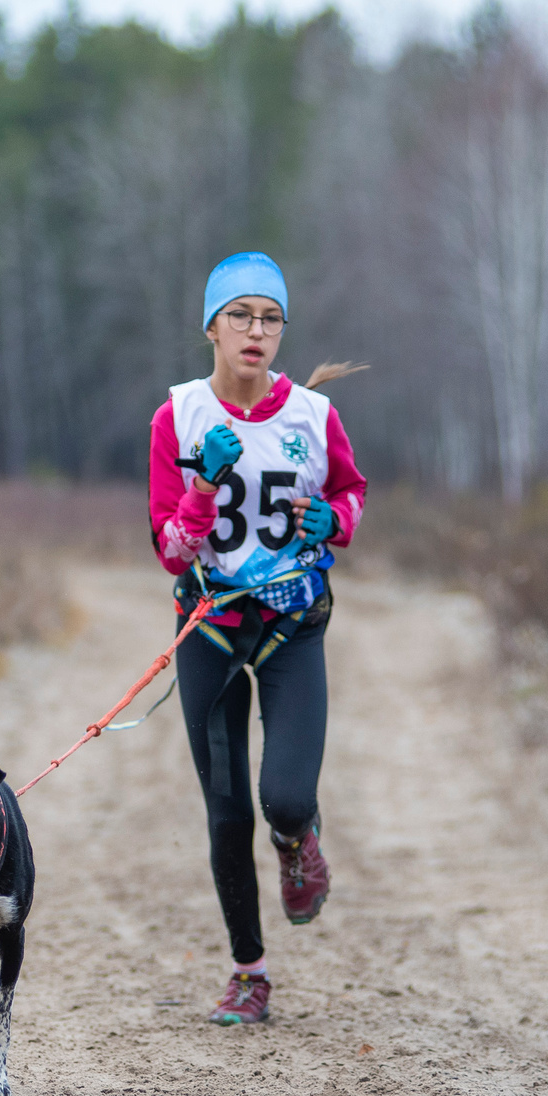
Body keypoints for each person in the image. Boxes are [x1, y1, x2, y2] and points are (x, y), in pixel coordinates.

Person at [146, 252, 367, 1026]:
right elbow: (172, 548)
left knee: (285, 795)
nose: (256, 332)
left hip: (291, 626)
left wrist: (330, 521)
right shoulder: (177, 416)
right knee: (226, 812)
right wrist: (202, 488)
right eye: (240, 315)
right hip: (209, 626)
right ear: (210, 325)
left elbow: (350, 495)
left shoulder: (313, 416)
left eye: (270, 318)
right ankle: (250, 972)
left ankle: (297, 838)